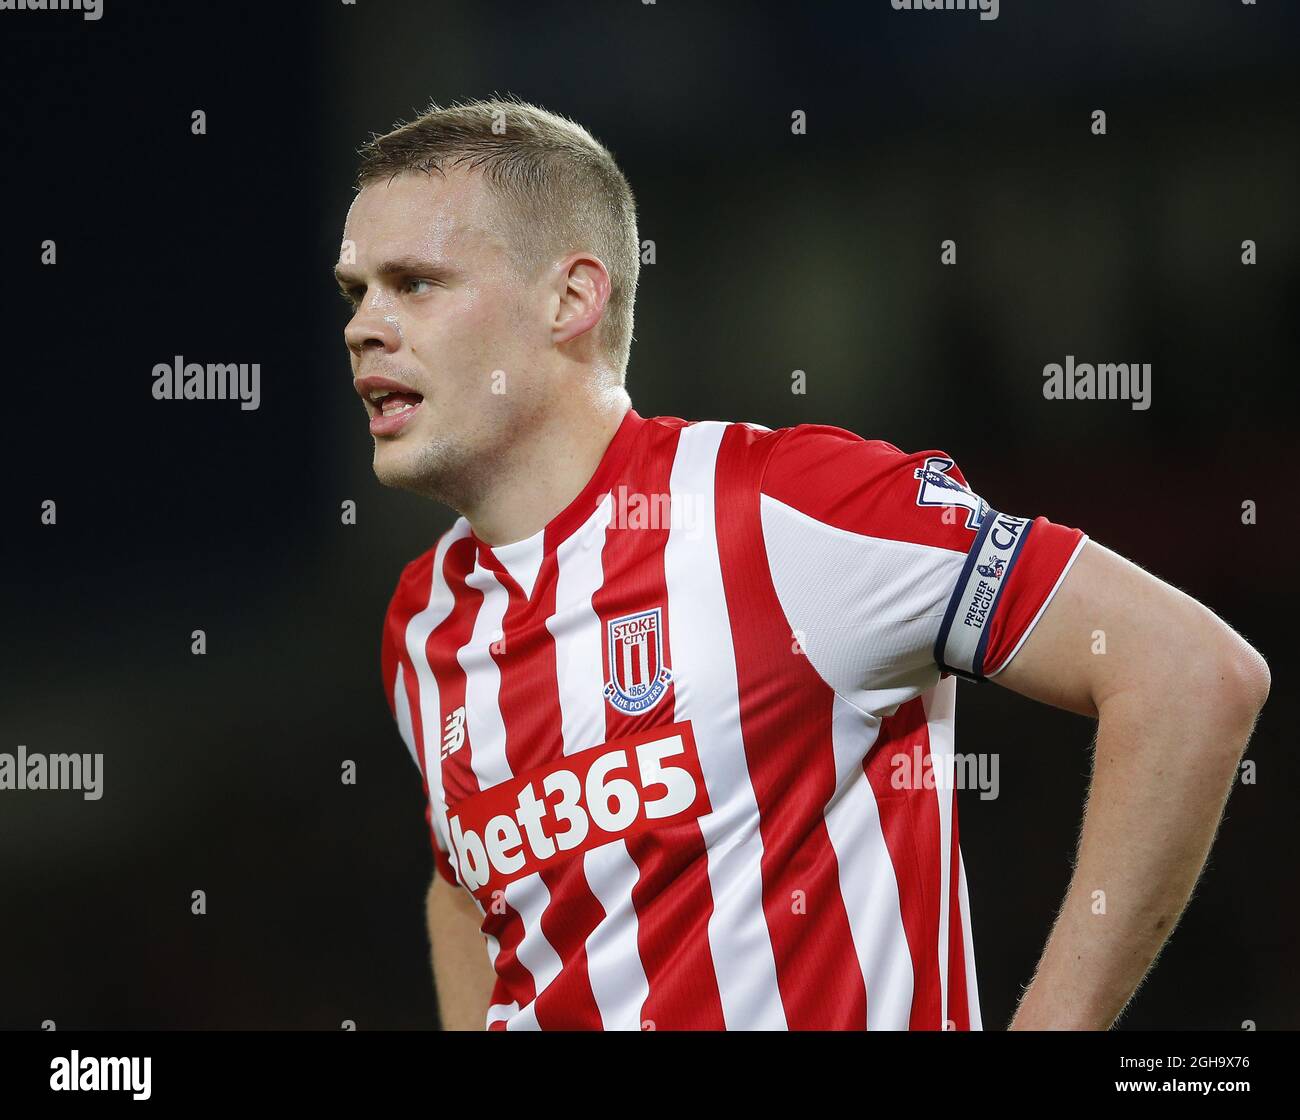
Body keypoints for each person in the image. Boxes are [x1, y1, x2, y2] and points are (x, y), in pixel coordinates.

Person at [334, 96, 1270, 1031]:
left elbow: (1188, 673)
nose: (364, 326)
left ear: (572, 299)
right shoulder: (423, 624)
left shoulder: (787, 507)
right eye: (356, 291)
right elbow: (467, 890)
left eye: (414, 283)